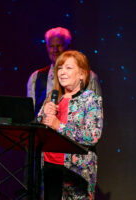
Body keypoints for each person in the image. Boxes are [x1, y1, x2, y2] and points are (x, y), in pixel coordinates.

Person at [38, 50, 103, 200]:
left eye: (68, 68)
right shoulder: (53, 97)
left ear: (82, 74)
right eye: (60, 68)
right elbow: (37, 130)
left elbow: (93, 136)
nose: (62, 72)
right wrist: (42, 118)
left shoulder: (90, 100)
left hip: (75, 171)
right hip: (49, 167)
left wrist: (59, 126)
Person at [27, 27, 102, 115]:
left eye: (59, 46)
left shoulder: (88, 77)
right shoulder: (35, 78)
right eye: (51, 46)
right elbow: (30, 114)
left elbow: (94, 116)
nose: (55, 50)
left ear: (69, 47)